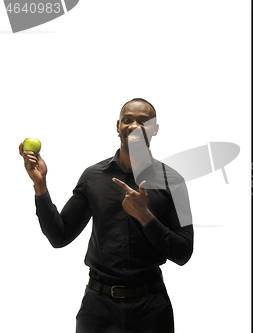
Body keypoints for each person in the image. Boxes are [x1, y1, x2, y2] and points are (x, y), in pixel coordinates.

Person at [19, 98, 193, 333]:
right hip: (98, 309)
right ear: (118, 125)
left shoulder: (174, 181)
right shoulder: (92, 177)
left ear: (155, 129)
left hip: (151, 309)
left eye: (144, 121)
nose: (134, 125)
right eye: (127, 119)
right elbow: (60, 236)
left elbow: (183, 252)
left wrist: (145, 217)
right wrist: (40, 186)